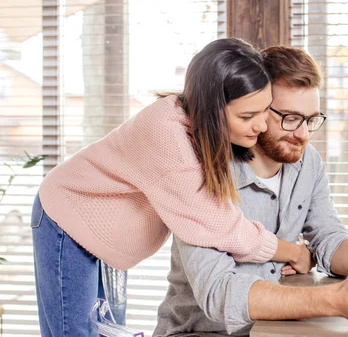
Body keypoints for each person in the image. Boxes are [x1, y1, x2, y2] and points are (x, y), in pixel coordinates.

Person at [31, 38, 312, 336]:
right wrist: (292, 252)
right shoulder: (168, 135)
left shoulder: (201, 129)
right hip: (68, 217)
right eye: (247, 116)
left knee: (106, 330)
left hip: (100, 231)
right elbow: (218, 225)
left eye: (263, 112)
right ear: (213, 108)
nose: (261, 126)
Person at [153, 46, 348, 336]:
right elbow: (219, 293)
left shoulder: (307, 162)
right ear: (257, 106)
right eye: (290, 118)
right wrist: (334, 300)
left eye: (311, 119)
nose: (302, 134)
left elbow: (329, 240)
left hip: (271, 329)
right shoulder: (200, 172)